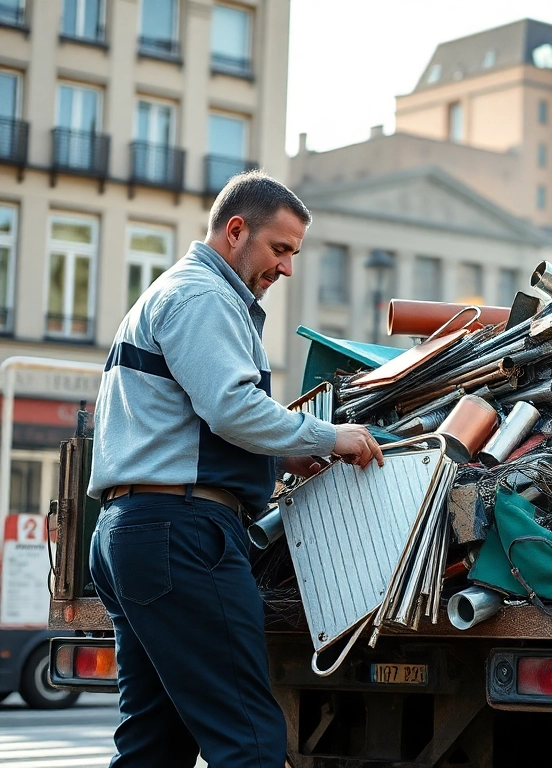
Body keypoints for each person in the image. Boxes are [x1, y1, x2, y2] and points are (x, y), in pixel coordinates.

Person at [87, 170, 384, 767]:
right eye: (280, 248)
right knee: (247, 739)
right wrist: (331, 436)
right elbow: (231, 408)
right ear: (236, 230)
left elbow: (188, 421)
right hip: (182, 534)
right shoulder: (205, 297)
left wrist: (278, 453)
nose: (287, 267)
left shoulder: (176, 291)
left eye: (294, 253)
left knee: (153, 741)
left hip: (136, 531)